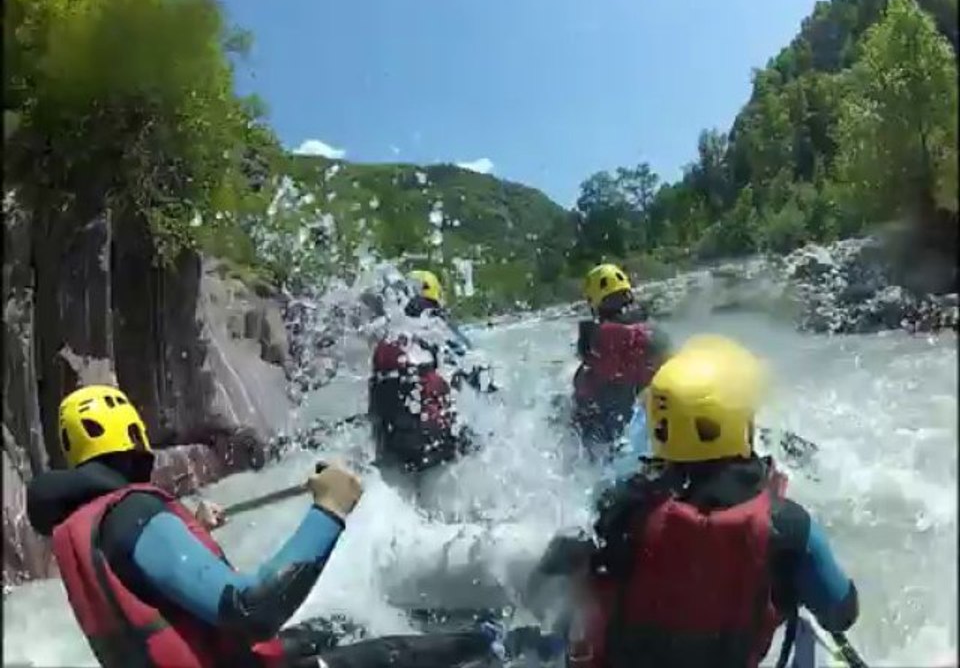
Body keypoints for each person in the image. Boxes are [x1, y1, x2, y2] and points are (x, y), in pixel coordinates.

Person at [26, 384, 502, 668]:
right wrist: (329, 511)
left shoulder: (86, 524)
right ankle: (497, 643)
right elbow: (251, 608)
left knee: (331, 627)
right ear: (135, 432)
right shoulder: (135, 514)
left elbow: (139, 578)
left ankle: (357, 626)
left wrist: (187, 527)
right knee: (392, 655)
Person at [532, 336, 859, 668]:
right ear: (739, 422)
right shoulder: (787, 525)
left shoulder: (622, 508)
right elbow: (842, 613)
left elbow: (550, 573)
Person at [368, 270, 476, 492]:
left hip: (393, 447)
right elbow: (472, 366)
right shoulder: (437, 327)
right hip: (438, 445)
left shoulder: (388, 335)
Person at [572, 264, 671, 459]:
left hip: (615, 424)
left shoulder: (595, 337)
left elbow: (588, 372)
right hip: (655, 416)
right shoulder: (653, 330)